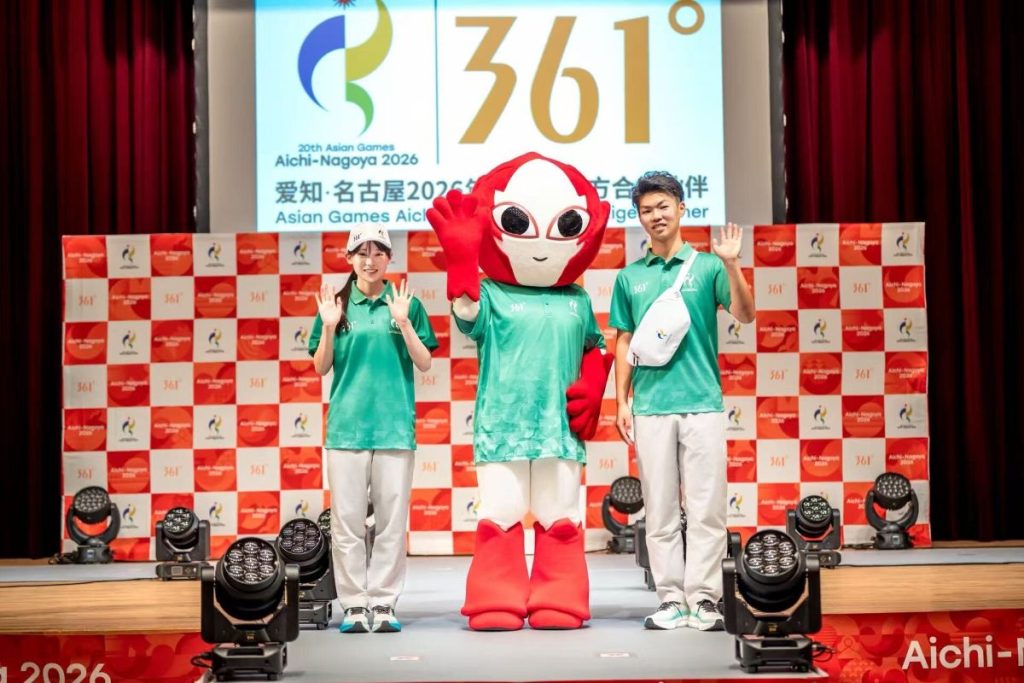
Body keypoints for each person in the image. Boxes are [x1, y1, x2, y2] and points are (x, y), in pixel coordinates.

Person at [426, 152, 614, 631]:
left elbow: (594, 345)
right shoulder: (492, 293)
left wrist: (595, 383)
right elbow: (467, 315)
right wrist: (461, 262)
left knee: (559, 515)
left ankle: (560, 596)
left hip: (559, 428)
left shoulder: (576, 299)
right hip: (503, 424)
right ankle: (496, 595)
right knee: (501, 513)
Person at [609, 171, 755, 631]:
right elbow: (624, 340)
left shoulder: (709, 267)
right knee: (660, 510)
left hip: (703, 404)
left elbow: (745, 314)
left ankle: (705, 599)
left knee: (708, 509)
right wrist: (621, 401)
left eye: (663, 206)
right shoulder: (629, 277)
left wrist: (732, 264)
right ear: (639, 217)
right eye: (646, 210)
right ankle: (671, 598)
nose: (655, 216)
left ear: (681, 209)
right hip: (650, 406)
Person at [308, 224, 438, 634]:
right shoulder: (335, 305)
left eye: (378, 252)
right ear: (349, 258)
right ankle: (353, 605)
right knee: (346, 524)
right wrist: (329, 326)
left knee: (390, 523)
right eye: (362, 253)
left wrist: (404, 323)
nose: (370, 260)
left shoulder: (405, 303)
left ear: (389, 258)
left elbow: (425, 362)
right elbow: (321, 366)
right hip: (346, 430)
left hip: (394, 428)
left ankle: (383, 602)